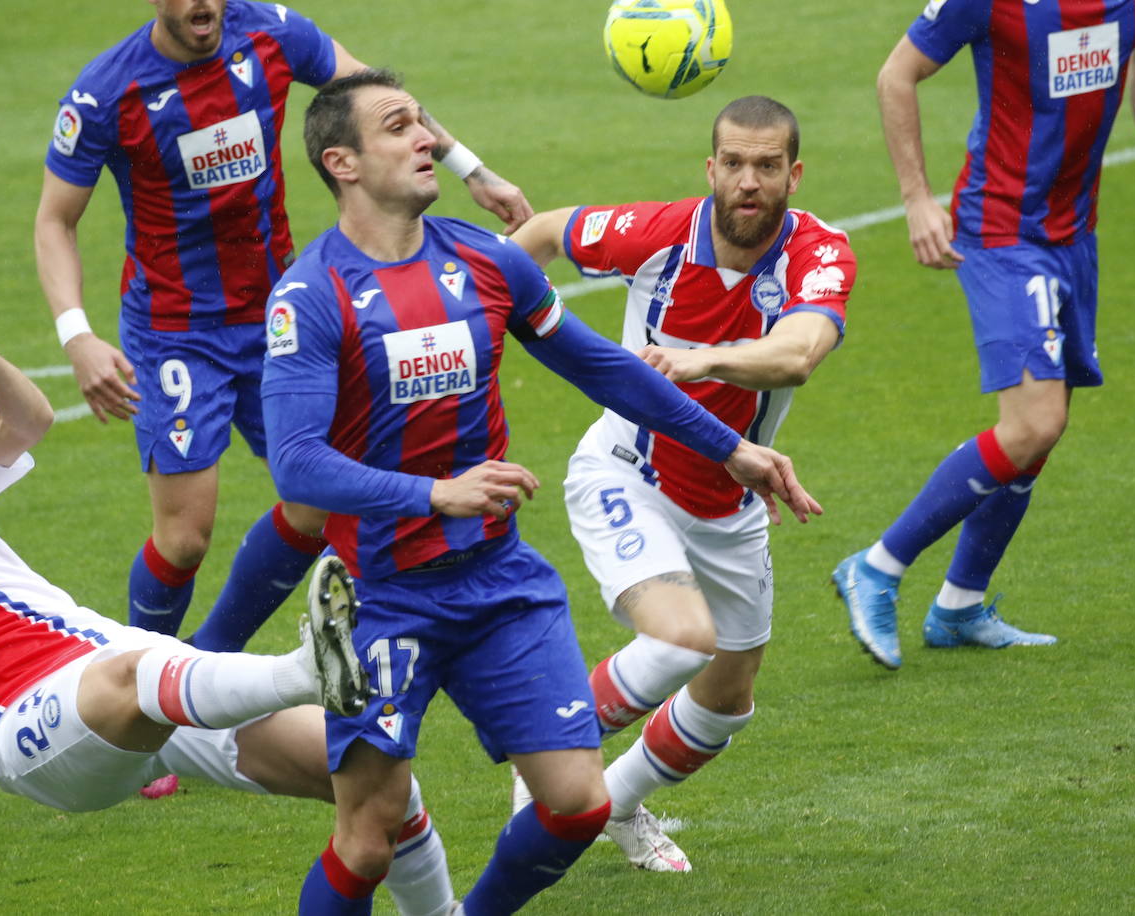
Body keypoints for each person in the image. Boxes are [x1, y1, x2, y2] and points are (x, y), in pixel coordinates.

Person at [262, 70, 822, 914]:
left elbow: (602, 366)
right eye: (399, 127)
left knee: (578, 803)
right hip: (382, 596)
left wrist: (731, 446)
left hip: (499, 583)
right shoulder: (311, 296)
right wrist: (435, 494)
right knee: (369, 838)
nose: (427, 139)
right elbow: (298, 465)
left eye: (422, 123)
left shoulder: (486, 261)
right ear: (342, 162)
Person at [0, 277, 456, 916]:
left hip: (133, 671)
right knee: (134, 674)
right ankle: (308, 672)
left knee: (376, 778)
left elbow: (27, 420)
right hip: (27, 732)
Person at [34, 0, 534, 663]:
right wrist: (77, 336)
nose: (203, 4)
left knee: (320, 502)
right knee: (183, 539)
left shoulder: (270, 32)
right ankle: (137, 679)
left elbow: (381, 99)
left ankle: (212, 656)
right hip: (176, 332)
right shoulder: (105, 94)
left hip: (283, 314)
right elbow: (55, 219)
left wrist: (471, 169)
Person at [509, 96, 854, 872]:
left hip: (732, 503)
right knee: (676, 637)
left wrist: (703, 359)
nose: (748, 181)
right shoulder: (657, 233)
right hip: (627, 474)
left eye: (767, 166)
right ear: (711, 168)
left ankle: (615, 803)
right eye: (733, 163)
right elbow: (542, 234)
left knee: (729, 695)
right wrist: (480, 318)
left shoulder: (820, 251)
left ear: (794, 174)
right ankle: (545, 757)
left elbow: (798, 353)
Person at [832, 0, 1135, 670]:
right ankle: (876, 567)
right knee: (1032, 422)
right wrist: (917, 199)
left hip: (1074, 235)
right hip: (1000, 232)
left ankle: (960, 605)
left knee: (1043, 431)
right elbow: (896, 75)